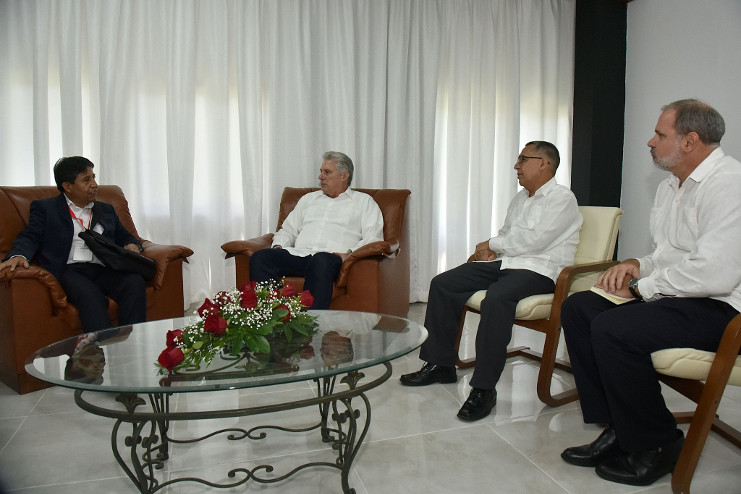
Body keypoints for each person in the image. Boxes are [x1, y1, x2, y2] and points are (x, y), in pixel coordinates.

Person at [559, 99, 741, 487]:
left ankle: (656, 443)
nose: (650, 142)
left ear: (690, 141)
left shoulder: (729, 184)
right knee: (579, 308)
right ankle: (620, 429)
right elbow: (667, 254)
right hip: (683, 294)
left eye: (660, 135)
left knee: (613, 329)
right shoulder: (669, 187)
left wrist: (642, 289)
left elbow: (715, 273)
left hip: (724, 309)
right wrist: (639, 265)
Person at [400, 141, 583, 422]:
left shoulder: (562, 198)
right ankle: (440, 364)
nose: (516, 166)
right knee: (443, 283)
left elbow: (536, 242)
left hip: (541, 271)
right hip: (507, 264)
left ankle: (484, 389)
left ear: (544, 163)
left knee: (496, 298)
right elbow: (507, 234)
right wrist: (492, 250)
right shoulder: (521, 198)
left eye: (523, 159)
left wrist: (491, 243)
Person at [0, 156, 147, 332]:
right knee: (90, 295)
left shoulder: (105, 209)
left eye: (94, 177)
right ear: (67, 186)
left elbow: (126, 237)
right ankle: (106, 349)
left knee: (134, 282)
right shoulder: (46, 209)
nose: (94, 184)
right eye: (86, 179)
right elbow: (30, 236)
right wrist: (19, 254)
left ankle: (134, 344)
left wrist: (132, 246)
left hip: (103, 267)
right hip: (69, 270)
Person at [249, 151, 384, 309]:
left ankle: (311, 326)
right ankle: (274, 315)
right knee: (261, 257)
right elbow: (288, 230)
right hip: (300, 255)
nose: (321, 176)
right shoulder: (308, 199)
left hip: (331, 259)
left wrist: (348, 253)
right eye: (321, 171)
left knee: (320, 260)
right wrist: (279, 246)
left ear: (344, 176)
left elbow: (374, 238)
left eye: (327, 172)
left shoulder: (364, 202)